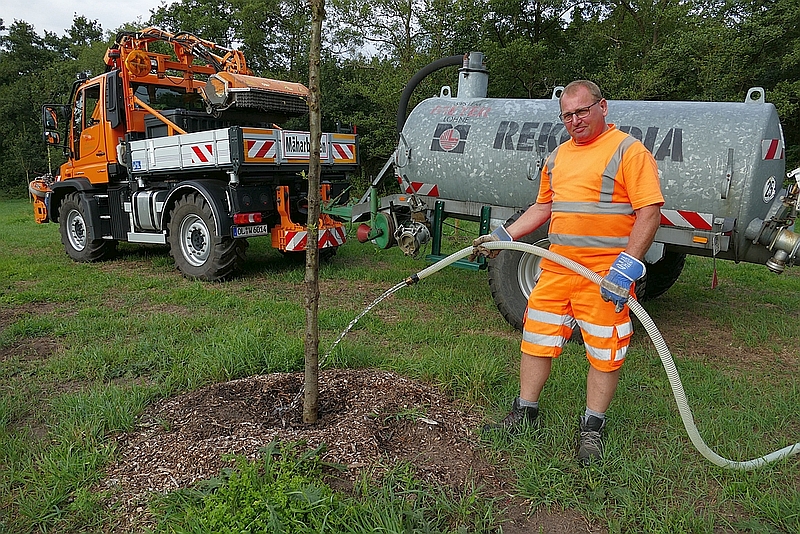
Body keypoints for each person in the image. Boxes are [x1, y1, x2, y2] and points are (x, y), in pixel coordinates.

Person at [473, 80, 664, 465]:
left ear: (603, 107)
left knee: (605, 352)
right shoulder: (558, 157)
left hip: (604, 275)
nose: (575, 120)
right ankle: (525, 413)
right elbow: (542, 208)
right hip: (558, 269)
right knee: (535, 338)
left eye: (582, 111)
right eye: (567, 115)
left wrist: (626, 268)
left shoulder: (628, 151)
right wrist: (501, 235)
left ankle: (592, 428)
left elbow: (650, 211)